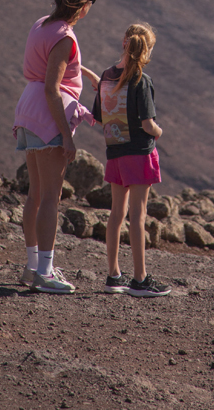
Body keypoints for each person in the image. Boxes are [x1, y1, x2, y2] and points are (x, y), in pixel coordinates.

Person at [13, 0, 99, 294]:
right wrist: (65, 134)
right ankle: (45, 274)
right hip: (48, 116)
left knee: (35, 195)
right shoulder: (66, 37)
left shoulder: (43, 24)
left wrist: (84, 70)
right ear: (83, 5)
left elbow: (47, 66)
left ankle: (32, 266)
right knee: (51, 197)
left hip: (27, 109)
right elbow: (53, 87)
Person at [92, 22, 171, 297]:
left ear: (124, 41)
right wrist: (160, 132)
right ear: (146, 49)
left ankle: (113, 275)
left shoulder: (106, 76)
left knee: (117, 214)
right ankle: (140, 279)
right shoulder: (141, 80)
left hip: (115, 152)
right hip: (139, 153)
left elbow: (100, 117)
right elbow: (148, 124)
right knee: (138, 216)